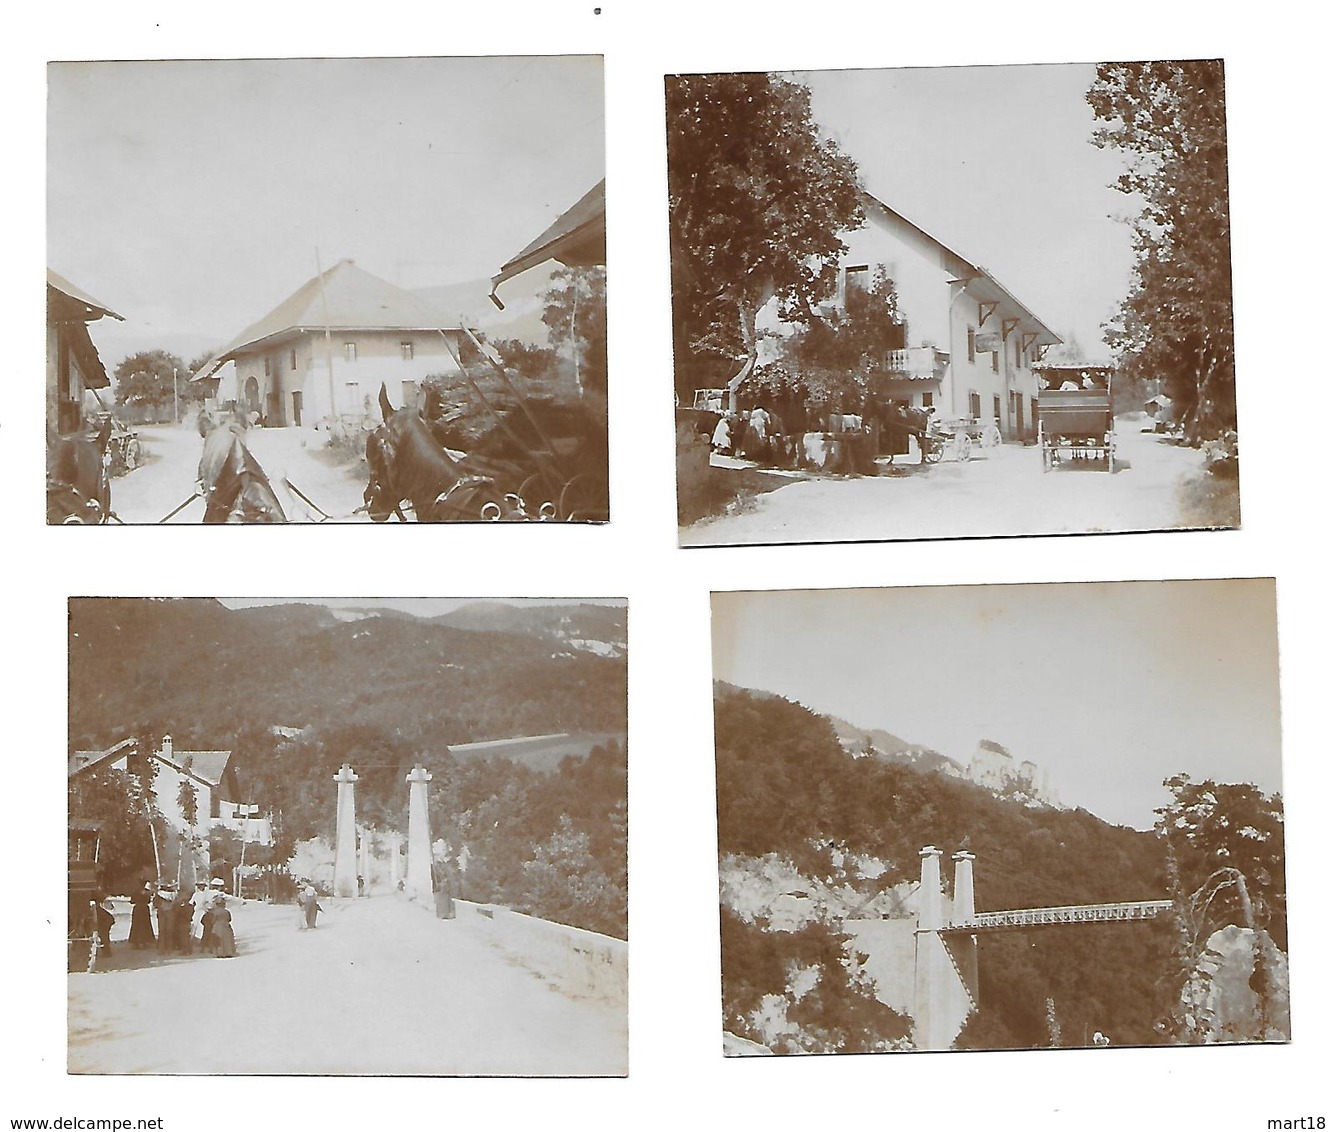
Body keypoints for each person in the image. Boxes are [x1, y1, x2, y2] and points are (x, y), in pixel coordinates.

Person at [129, 881, 156, 949]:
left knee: (136, 925)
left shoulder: (135, 892)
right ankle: (144, 941)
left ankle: (136, 942)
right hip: (144, 909)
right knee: (145, 925)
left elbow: (132, 901)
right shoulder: (147, 893)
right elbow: (149, 901)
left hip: (137, 909)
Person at [152, 883, 176, 953]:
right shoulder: (173, 894)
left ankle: (162, 949)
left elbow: (154, 904)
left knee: (163, 931)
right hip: (168, 913)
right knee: (168, 931)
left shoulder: (159, 894)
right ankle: (168, 949)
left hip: (163, 913)